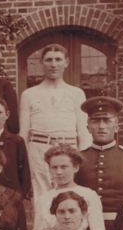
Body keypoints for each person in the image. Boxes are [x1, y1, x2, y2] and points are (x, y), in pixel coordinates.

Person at [18, 44, 90, 196]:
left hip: (68, 147)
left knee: (67, 195)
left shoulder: (76, 93)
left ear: (66, 62)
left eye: (58, 59)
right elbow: (23, 134)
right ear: (41, 62)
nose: (53, 64)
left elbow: (83, 133)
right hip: (38, 150)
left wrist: (82, 161)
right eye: (49, 60)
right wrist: (22, 164)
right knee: (40, 197)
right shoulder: (29, 94)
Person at [76, 96, 123, 230]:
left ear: (117, 127)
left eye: (107, 121)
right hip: (85, 229)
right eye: (95, 121)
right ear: (88, 128)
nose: (101, 126)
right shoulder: (78, 159)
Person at [30, 145, 105, 230]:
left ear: (75, 168)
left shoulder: (89, 195)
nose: (59, 172)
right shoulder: (44, 198)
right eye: (54, 167)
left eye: (64, 167)